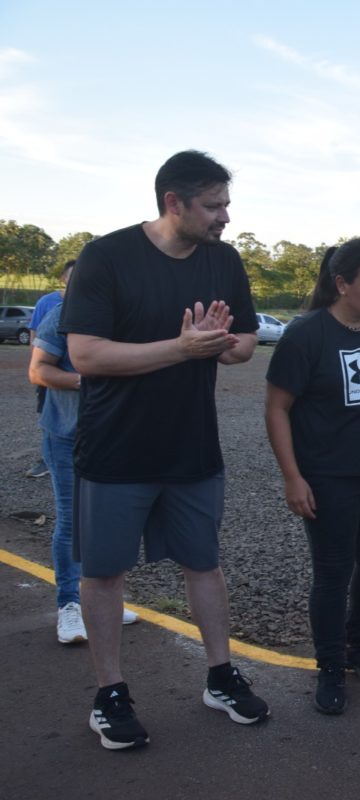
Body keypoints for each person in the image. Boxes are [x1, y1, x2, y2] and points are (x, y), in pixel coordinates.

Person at [61, 150, 269, 751]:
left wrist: (224, 345)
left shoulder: (223, 259)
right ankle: (110, 693)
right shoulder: (107, 256)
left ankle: (219, 674)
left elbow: (245, 342)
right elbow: (87, 356)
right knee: (104, 573)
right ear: (172, 202)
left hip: (192, 448)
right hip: (115, 450)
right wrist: (180, 349)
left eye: (227, 204)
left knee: (204, 562)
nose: (224, 216)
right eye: (213, 205)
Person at [265, 238, 360, 715]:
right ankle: (329, 666)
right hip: (328, 477)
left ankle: (358, 648)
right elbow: (276, 409)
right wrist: (293, 477)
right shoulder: (306, 335)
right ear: (341, 283)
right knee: (333, 572)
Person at [28, 263, 139, 644]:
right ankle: (69, 605)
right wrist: (88, 381)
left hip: (115, 438)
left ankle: (102, 602)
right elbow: (38, 371)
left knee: (109, 522)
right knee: (72, 522)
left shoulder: (125, 318)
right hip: (66, 436)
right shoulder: (61, 316)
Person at [24, 263, 72, 479]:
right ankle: (45, 458)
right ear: (64, 279)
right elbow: (35, 334)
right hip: (52, 364)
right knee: (48, 410)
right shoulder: (50, 305)